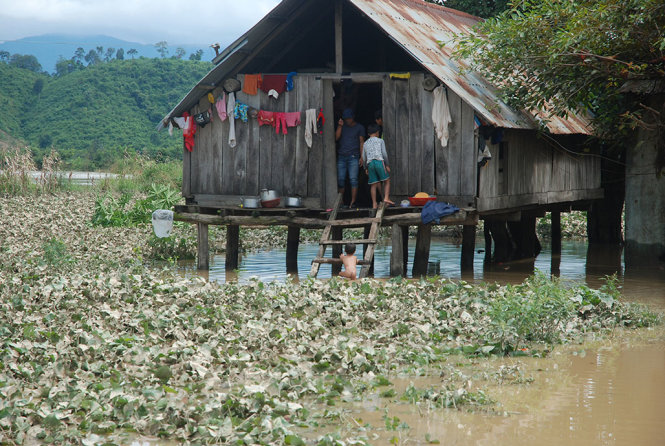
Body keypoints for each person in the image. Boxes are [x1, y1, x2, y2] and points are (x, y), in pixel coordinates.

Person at [335, 108, 365, 208]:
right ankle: (341, 202)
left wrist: (362, 157)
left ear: (353, 118)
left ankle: (353, 202)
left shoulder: (359, 127)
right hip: (342, 156)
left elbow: (361, 142)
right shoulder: (343, 126)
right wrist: (339, 126)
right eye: (345, 118)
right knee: (340, 179)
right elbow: (336, 138)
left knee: (353, 180)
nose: (347, 120)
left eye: (349, 118)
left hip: (354, 157)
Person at [362, 123, 394, 209]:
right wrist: (387, 165)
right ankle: (386, 198)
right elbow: (384, 154)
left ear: (368, 134)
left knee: (373, 184)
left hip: (370, 164)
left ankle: (374, 204)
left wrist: (365, 168)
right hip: (379, 162)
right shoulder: (380, 141)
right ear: (377, 132)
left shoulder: (365, 143)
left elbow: (364, 157)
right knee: (387, 181)